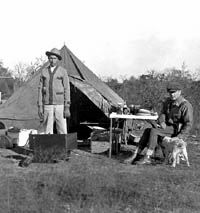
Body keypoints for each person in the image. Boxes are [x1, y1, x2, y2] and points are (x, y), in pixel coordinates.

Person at [125, 82, 193, 165]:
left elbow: (188, 124)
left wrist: (179, 137)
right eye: (170, 92)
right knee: (147, 130)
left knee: (154, 131)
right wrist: (162, 121)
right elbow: (163, 113)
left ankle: (148, 157)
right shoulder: (168, 102)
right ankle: (135, 155)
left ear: (179, 92)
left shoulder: (185, 105)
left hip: (175, 130)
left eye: (174, 92)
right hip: (166, 127)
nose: (172, 95)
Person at [37, 48, 71, 134]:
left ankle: (63, 146)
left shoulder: (63, 71)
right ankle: (48, 145)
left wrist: (67, 107)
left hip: (60, 104)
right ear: (48, 58)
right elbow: (40, 89)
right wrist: (40, 106)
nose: (52, 60)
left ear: (58, 59)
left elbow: (67, 89)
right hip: (47, 104)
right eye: (50, 58)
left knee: (62, 128)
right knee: (47, 128)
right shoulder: (44, 71)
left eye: (54, 58)